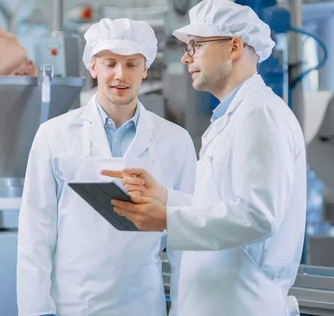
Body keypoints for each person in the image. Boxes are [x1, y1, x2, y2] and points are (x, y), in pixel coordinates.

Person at [105, 0, 307, 316]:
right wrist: (166, 198)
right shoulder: (232, 117)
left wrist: (168, 219)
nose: (187, 58)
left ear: (234, 46)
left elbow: (258, 216)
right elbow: (221, 208)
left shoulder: (260, 115)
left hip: (243, 302)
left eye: (196, 45)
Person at [16, 18, 198, 316]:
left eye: (131, 64)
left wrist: (184, 310)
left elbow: (185, 241)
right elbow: (35, 235)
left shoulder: (175, 141)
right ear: (93, 66)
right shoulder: (54, 135)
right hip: (73, 305)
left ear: (145, 69)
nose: (120, 75)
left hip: (143, 304)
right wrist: (37, 310)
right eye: (110, 63)